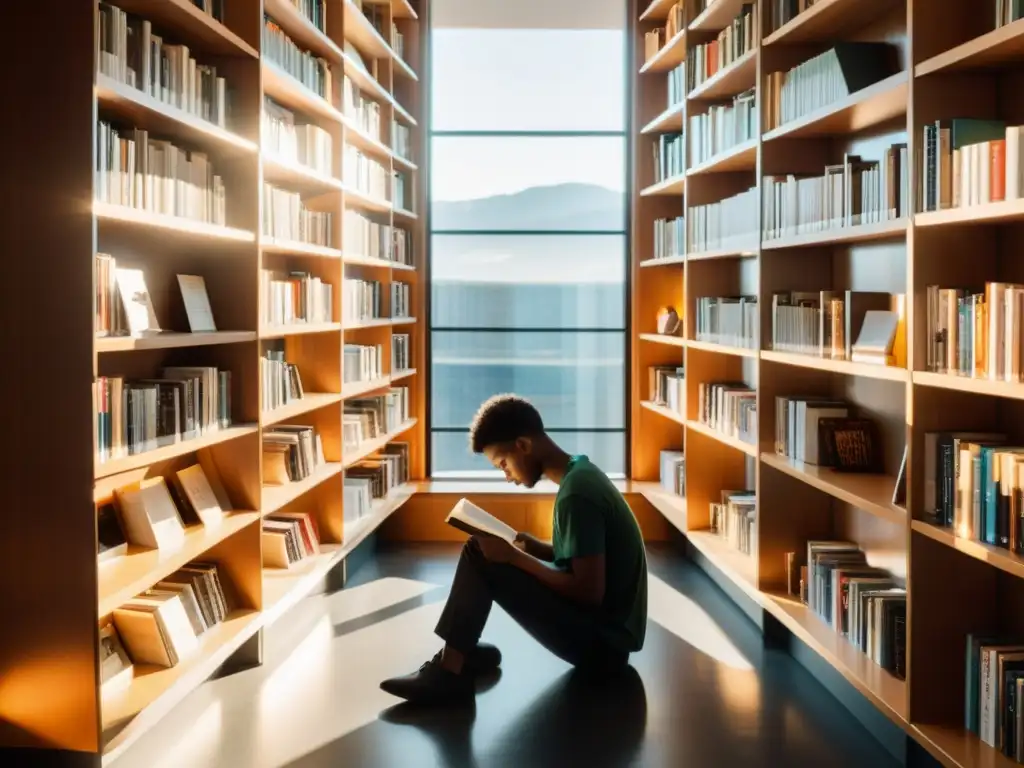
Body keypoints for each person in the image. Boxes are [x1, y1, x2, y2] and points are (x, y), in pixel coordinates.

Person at [379, 394, 648, 704]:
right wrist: (538, 548)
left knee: (478, 552)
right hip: (610, 640)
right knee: (485, 547)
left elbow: (588, 591)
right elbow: (586, 559)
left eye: (503, 464)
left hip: (602, 650)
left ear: (523, 445)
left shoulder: (577, 496)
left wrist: (515, 557)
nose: (506, 476)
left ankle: (449, 671)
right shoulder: (580, 474)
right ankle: (461, 648)